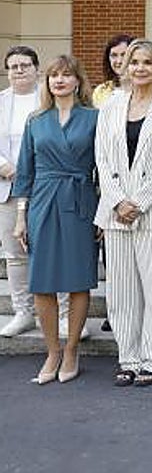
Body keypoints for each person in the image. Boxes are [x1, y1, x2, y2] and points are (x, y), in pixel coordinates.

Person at [94, 39, 152, 386]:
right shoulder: (110, 107)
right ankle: (129, 358)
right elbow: (102, 159)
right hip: (116, 212)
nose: (140, 68)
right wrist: (118, 200)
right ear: (125, 67)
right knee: (121, 292)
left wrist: (140, 202)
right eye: (134, 62)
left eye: (148, 62)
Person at [11, 55, 99, 384]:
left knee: (78, 279)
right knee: (42, 282)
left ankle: (72, 349)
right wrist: (21, 217)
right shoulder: (36, 120)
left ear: (78, 81)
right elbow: (25, 173)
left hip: (80, 201)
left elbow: (102, 167)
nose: (59, 80)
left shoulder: (94, 118)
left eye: (66, 75)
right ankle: (52, 351)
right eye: (53, 76)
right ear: (47, 82)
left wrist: (102, 212)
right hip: (42, 203)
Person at [0, 45, 41, 337]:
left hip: (43, 186)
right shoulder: (1, 101)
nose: (19, 71)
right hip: (7, 187)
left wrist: (30, 171)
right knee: (15, 254)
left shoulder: (48, 98)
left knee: (51, 250)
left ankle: (60, 313)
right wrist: (4, 166)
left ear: (36, 68)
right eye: (13, 66)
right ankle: (23, 312)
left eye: (25, 65)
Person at [92, 34, 134, 108]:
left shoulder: (144, 87)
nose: (119, 61)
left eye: (124, 55)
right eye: (114, 55)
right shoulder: (101, 91)